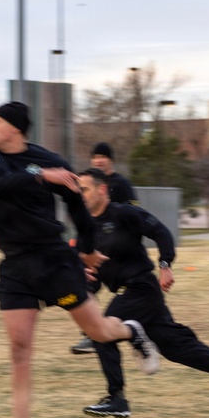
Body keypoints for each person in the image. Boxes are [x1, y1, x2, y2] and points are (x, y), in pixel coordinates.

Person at [0, 102, 156, 418]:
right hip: (14, 264)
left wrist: (87, 250)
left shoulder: (50, 160)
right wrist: (42, 176)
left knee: (99, 331)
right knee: (19, 348)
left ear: (16, 128)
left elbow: (78, 210)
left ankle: (132, 332)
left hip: (52, 260)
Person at [77, 168, 209, 418]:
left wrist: (165, 265)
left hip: (141, 288)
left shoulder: (124, 213)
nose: (80, 195)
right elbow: (92, 273)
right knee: (176, 347)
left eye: (84, 189)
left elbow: (161, 233)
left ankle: (117, 399)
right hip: (131, 294)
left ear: (102, 189)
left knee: (101, 332)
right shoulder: (86, 228)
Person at [71, 142, 140, 355]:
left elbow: (136, 215)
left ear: (111, 160)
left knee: (130, 295)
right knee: (85, 285)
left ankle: (118, 331)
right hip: (94, 246)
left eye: (103, 156)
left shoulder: (121, 184)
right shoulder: (87, 183)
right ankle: (91, 334)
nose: (98, 160)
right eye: (95, 157)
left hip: (118, 250)